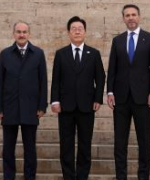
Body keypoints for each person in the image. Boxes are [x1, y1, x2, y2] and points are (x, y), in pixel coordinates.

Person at [107, 4, 150, 180]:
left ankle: (143, 176)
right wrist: (109, 92)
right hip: (121, 99)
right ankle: (120, 177)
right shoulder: (118, 41)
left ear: (139, 17)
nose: (131, 18)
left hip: (143, 98)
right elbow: (112, 69)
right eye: (127, 15)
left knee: (144, 141)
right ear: (123, 18)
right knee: (119, 143)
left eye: (134, 14)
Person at [51, 16, 105, 180]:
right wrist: (55, 100)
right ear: (68, 32)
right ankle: (68, 176)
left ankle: (82, 176)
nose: (77, 31)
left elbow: (100, 78)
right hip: (65, 107)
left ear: (85, 32)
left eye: (80, 28)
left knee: (84, 144)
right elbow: (56, 79)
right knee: (66, 145)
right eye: (73, 28)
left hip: (86, 106)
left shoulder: (94, 54)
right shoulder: (61, 54)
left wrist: (98, 99)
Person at [0, 21, 47, 180]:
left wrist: (42, 105)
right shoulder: (5, 54)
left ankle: (29, 177)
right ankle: (9, 177)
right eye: (18, 32)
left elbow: (43, 81)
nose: (22, 35)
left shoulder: (38, 53)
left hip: (31, 107)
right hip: (9, 107)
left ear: (29, 34)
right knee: (8, 149)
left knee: (30, 148)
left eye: (24, 32)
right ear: (13, 34)